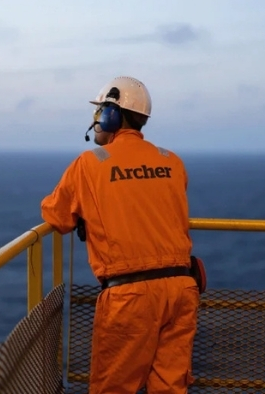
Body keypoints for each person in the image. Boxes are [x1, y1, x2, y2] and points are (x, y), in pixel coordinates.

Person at [40, 76, 206, 393]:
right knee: (171, 386)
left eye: (100, 111)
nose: (96, 120)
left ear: (112, 115)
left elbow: (57, 216)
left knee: (113, 387)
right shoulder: (171, 161)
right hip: (182, 289)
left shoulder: (89, 163)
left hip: (130, 296)